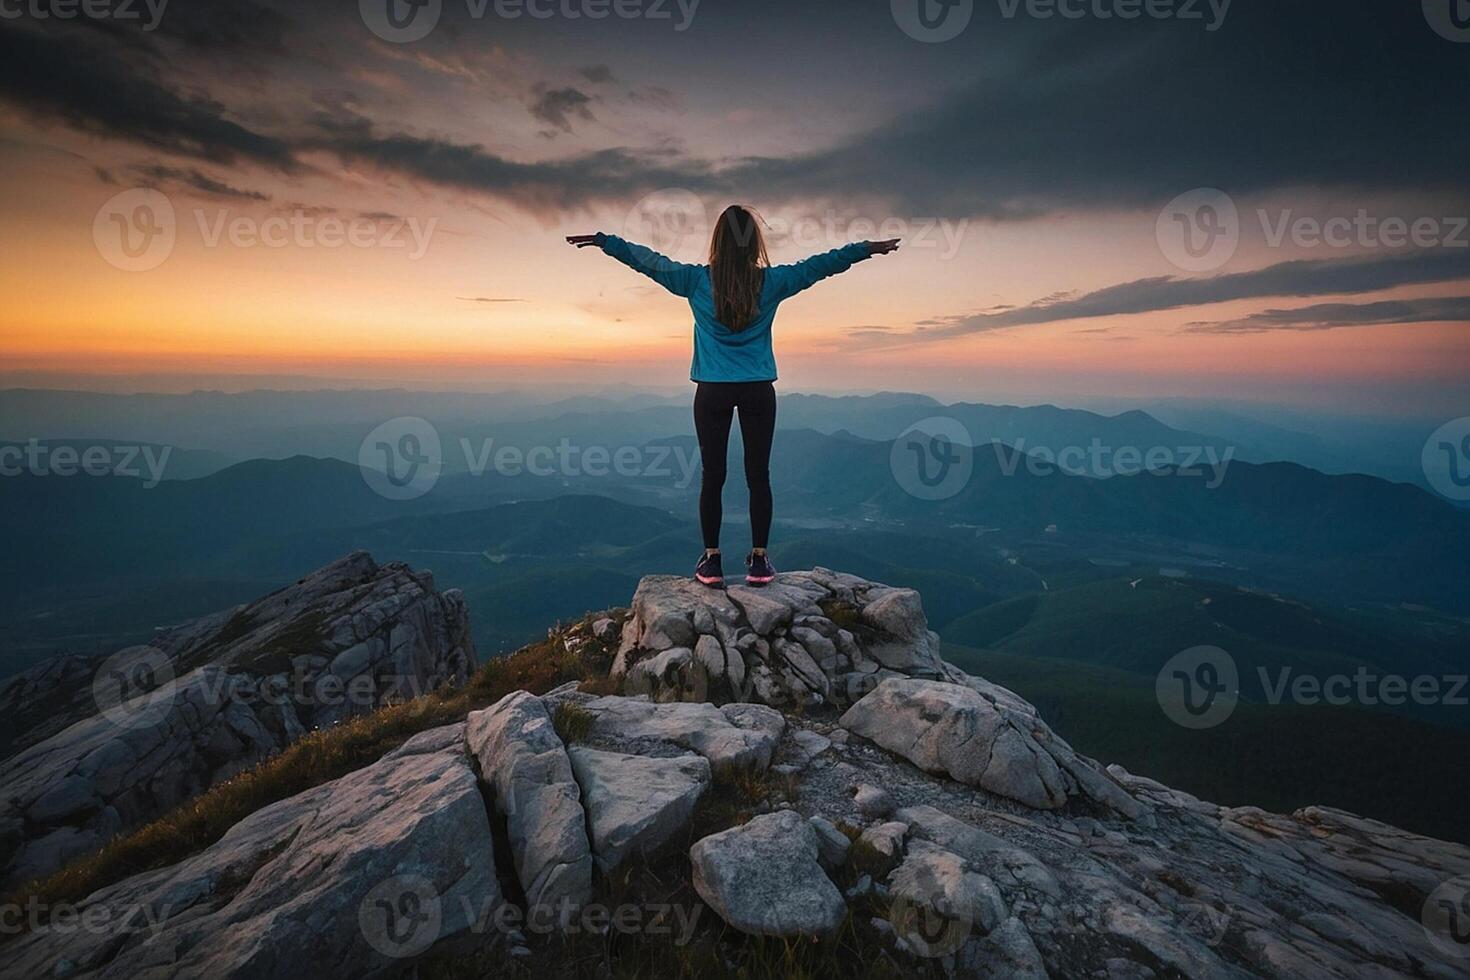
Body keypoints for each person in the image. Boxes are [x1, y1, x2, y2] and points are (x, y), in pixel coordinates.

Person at [568, 206, 899, 586]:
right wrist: (865, 248)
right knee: (759, 476)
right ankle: (759, 562)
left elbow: (649, 262)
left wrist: (607, 243)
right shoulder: (771, 283)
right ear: (753, 243)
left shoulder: (694, 281)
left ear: (718, 242)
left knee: (713, 477)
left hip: (712, 391)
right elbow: (819, 266)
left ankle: (711, 563)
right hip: (758, 389)